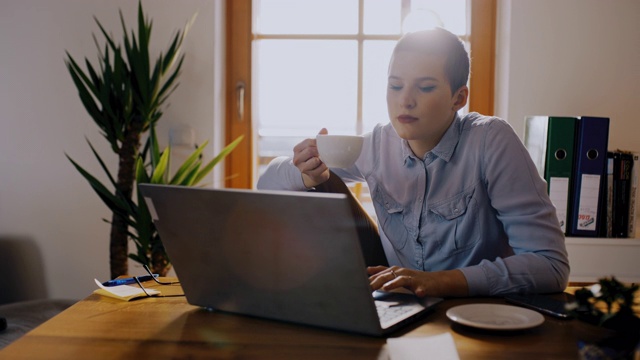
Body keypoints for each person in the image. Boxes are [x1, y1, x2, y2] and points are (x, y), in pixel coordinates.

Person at [257, 27, 569, 298]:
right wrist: (308, 175)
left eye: (425, 87)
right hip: (398, 303)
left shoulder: (491, 141)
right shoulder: (377, 145)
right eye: (395, 86)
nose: (404, 100)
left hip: (477, 309)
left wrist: (438, 282)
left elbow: (550, 264)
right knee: (323, 183)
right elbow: (267, 185)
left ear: (458, 98)